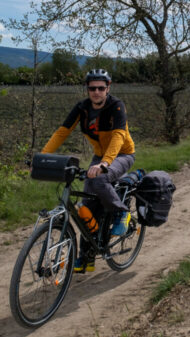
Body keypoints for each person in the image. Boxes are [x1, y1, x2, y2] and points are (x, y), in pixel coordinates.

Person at [41, 68, 136, 272]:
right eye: (92, 88)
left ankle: (121, 212)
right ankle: (87, 256)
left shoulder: (116, 106)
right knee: (86, 206)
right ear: (87, 89)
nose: (96, 92)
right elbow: (62, 132)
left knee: (100, 180)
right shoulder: (82, 108)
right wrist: (42, 156)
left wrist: (105, 163)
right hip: (99, 157)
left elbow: (119, 136)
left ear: (108, 88)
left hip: (121, 155)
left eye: (101, 88)